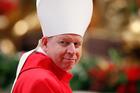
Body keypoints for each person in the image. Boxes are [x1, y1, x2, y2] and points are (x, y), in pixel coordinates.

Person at [11, 0, 93, 93]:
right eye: (64, 42)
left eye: (76, 44)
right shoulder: (42, 81)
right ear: (45, 43)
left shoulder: (50, 75)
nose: (72, 51)